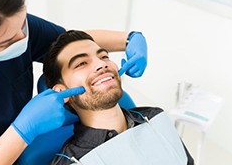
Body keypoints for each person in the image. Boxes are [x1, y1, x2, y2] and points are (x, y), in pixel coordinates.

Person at [0, 0, 148, 164]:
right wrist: (22, 132)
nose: (23, 39)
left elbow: (68, 41)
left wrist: (128, 39)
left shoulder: (6, 23)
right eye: (6, 42)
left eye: (23, 23)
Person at [42, 30, 194, 165]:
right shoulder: (69, 162)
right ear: (62, 92)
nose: (101, 64)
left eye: (104, 56)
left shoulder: (156, 118)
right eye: (81, 63)